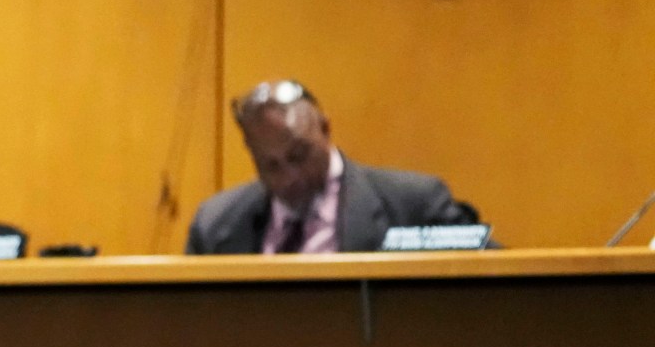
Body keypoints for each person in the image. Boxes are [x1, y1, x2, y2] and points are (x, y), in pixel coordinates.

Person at [187, 81, 477, 255]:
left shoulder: (412, 204)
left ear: (325, 130)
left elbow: (492, 289)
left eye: (299, 156)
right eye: (270, 165)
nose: (290, 176)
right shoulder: (215, 225)